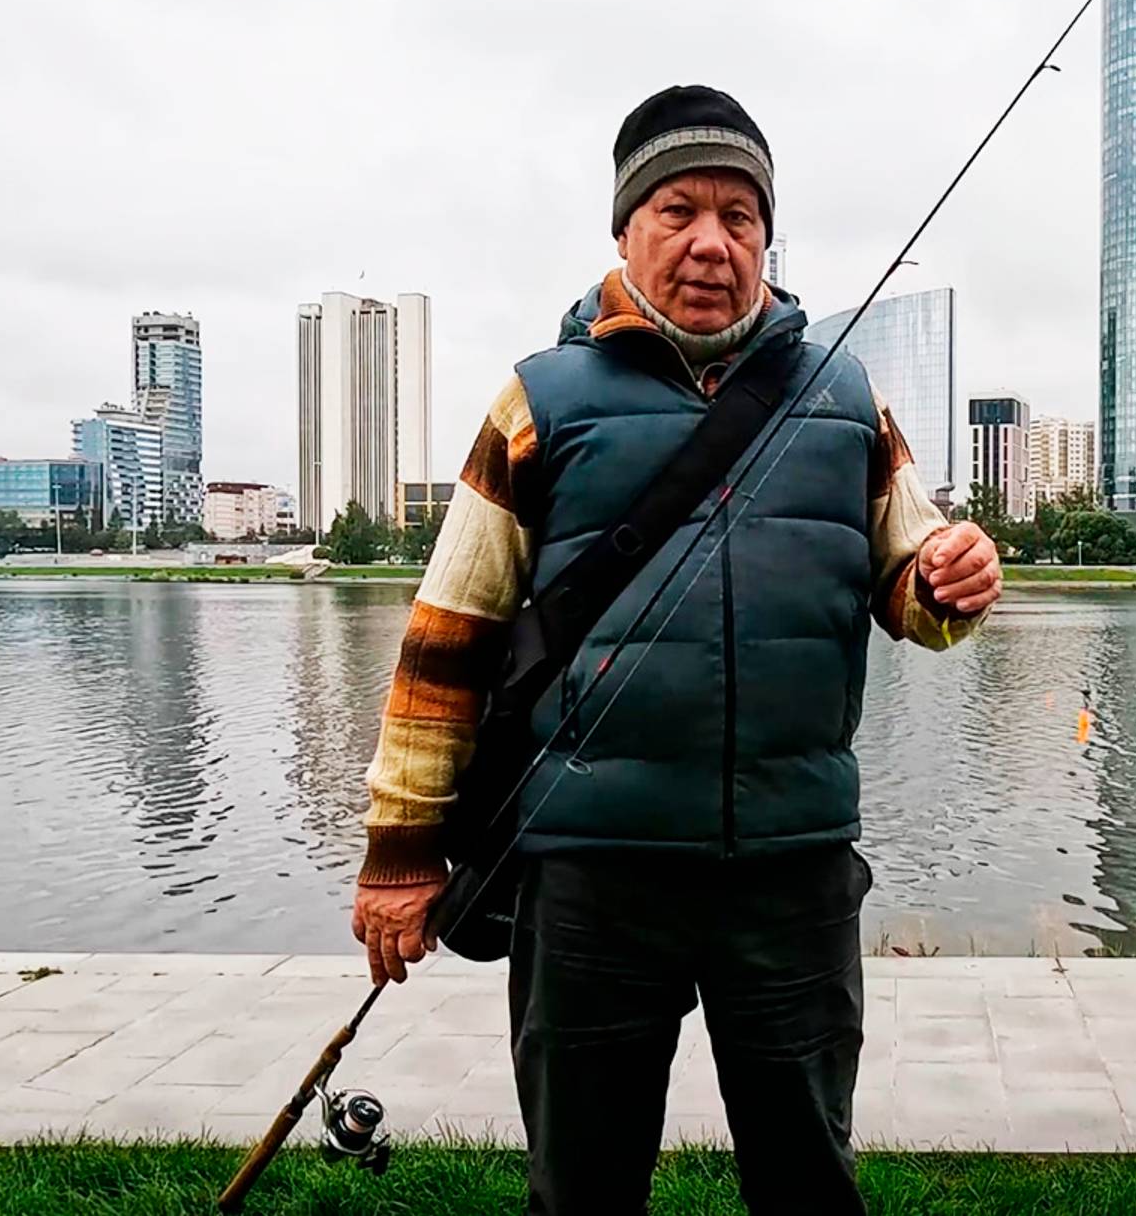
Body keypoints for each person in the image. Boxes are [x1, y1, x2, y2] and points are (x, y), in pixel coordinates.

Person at [351, 84, 1002, 1214]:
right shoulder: (537, 402)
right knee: (583, 1187)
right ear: (625, 229)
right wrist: (401, 856)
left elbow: (914, 587)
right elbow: (445, 641)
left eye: (739, 216)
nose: (711, 242)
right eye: (678, 210)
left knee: (808, 1179)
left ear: (765, 237)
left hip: (793, 871)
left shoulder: (847, 396)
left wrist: (954, 579)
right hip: (593, 879)